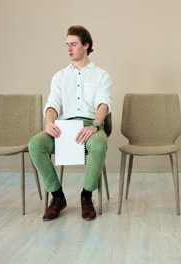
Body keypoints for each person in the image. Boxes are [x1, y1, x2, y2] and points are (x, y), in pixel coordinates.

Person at [28, 25, 112, 221]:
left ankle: (87, 196)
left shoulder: (101, 75)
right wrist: (49, 122)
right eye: (67, 45)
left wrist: (95, 126)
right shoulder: (60, 76)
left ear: (86, 45)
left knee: (99, 144)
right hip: (64, 127)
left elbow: (104, 105)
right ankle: (57, 197)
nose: (69, 49)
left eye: (73, 44)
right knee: (36, 144)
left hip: (90, 124)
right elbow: (52, 104)